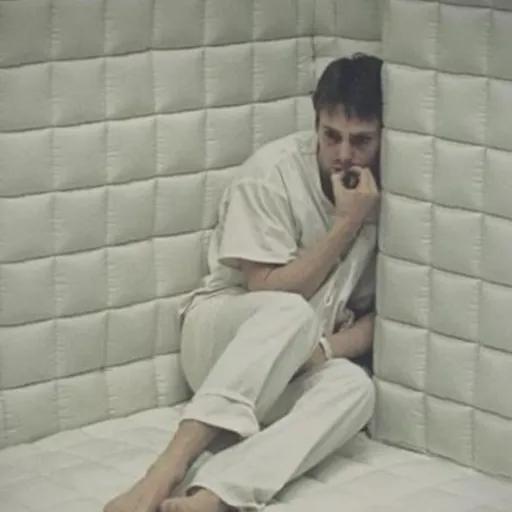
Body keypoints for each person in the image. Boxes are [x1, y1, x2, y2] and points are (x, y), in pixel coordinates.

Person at [105, 53, 383, 512]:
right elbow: (270, 289)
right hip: (221, 337)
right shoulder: (271, 174)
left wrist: (324, 351)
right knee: (289, 311)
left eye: (361, 141)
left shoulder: (397, 196)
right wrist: (345, 224)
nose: (343, 155)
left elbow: (385, 316)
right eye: (331, 136)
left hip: (298, 357)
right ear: (315, 124)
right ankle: (167, 468)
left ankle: (214, 494)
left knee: (355, 389)